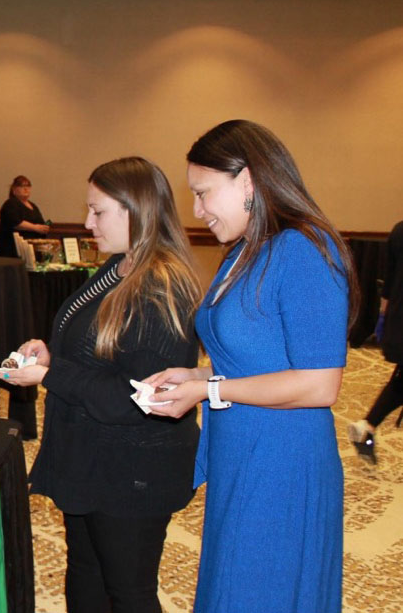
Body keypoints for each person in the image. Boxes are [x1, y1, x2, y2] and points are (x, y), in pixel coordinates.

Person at [144, 119, 358, 613]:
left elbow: (320, 383)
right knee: (232, 584)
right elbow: (252, 358)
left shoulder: (304, 251)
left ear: (248, 180)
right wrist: (196, 377)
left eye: (203, 193)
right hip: (241, 447)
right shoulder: (243, 250)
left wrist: (211, 390)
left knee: (262, 589)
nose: (196, 210)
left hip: (283, 459)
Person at [0, 157, 202, 612]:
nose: (88, 223)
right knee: (87, 577)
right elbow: (94, 347)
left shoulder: (162, 286)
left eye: (99, 211)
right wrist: (51, 353)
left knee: (128, 591)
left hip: (133, 470)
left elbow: (132, 399)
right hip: (92, 460)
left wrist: (50, 374)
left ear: (138, 210)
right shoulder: (121, 265)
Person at [348, 219, 403, 463]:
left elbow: (388, 285)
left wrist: (383, 318)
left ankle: (366, 427)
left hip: (398, 319)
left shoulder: (399, 230)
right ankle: (366, 427)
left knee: (400, 383)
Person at [0, 175, 50, 256]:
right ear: (14, 189)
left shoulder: (33, 205)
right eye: (22, 186)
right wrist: (35, 228)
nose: (26, 189)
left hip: (32, 248)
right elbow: (15, 223)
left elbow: (40, 222)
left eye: (28, 186)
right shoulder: (11, 203)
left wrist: (43, 228)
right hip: (13, 249)